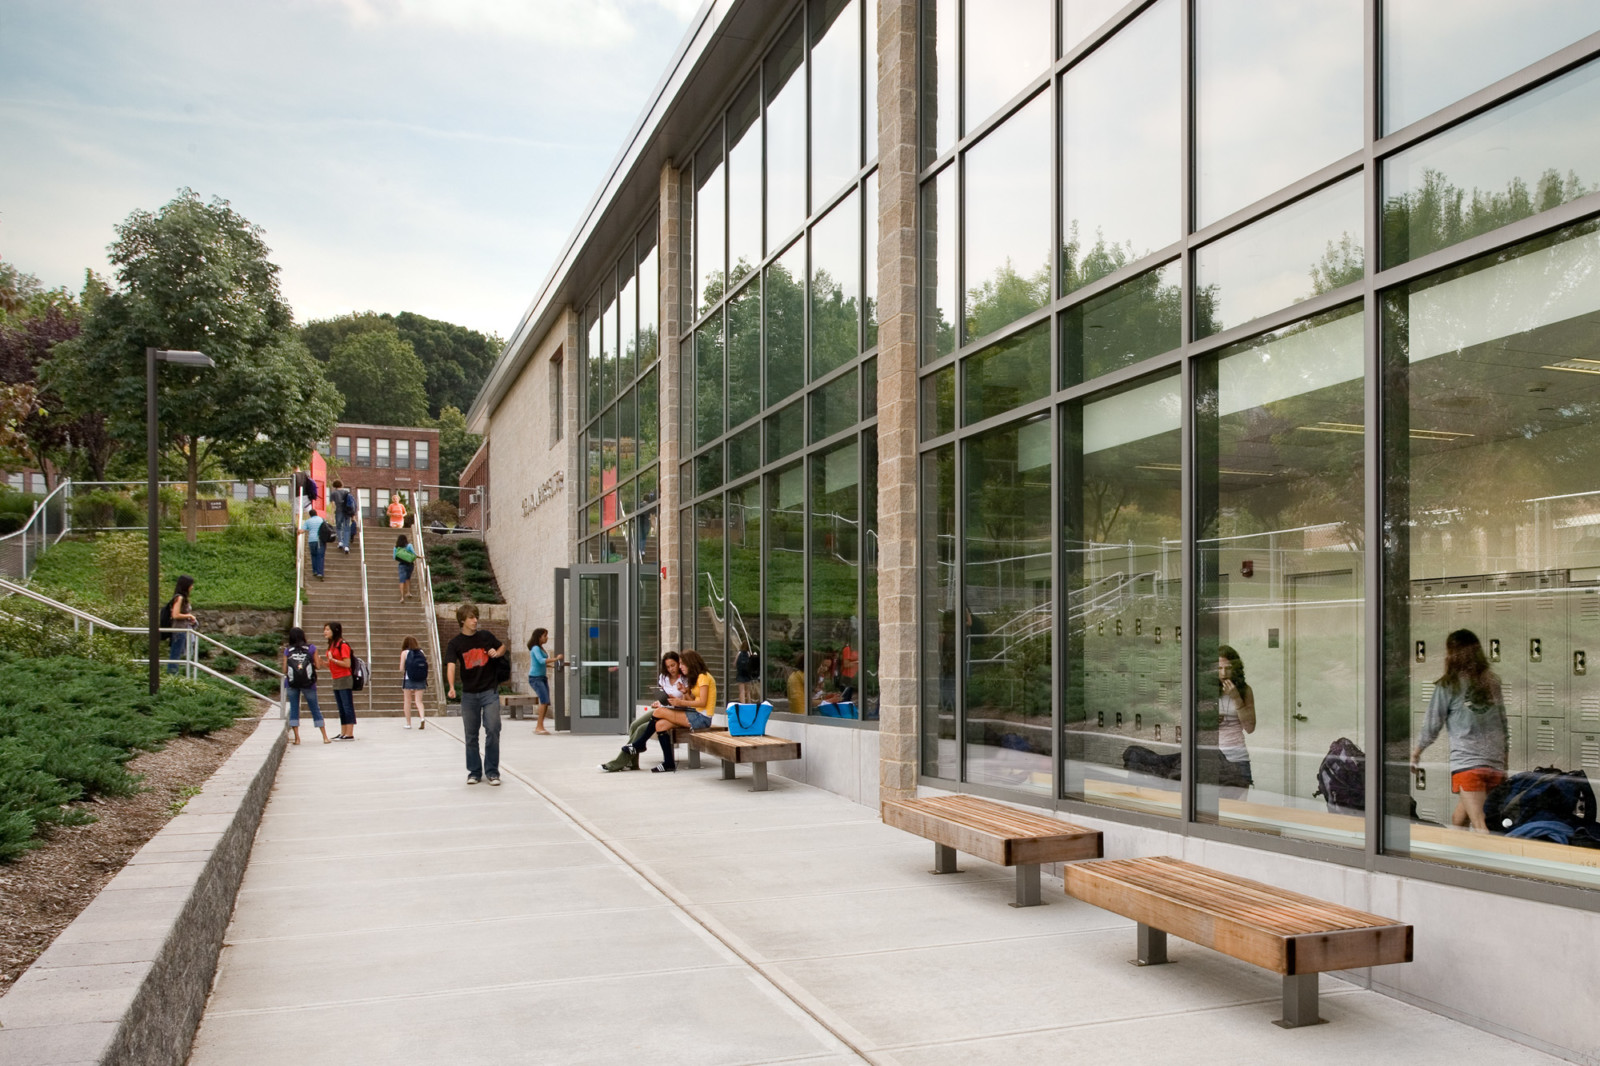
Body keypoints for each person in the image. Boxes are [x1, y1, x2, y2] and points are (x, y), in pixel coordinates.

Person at [1412, 628, 1508, 832]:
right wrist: (1504, 762)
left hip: (1468, 764)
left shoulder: (1449, 684)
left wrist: (1417, 752)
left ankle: (1489, 854)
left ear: (1451, 654)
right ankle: (1456, 849)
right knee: (1459, 819)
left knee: (1481, 824)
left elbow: (1432, 722)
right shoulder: (1492, 682)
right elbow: (1502, 723)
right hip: (1494, 763)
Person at [446, 603, 508, 785]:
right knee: (471, 735)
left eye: (476, 617)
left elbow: (502, 647)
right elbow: (451, 665)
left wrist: (497, 652)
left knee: (493, 729)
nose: (475, 620)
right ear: (462, 621)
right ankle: (474, 772)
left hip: (489, 691)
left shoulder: (485, 636)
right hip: (469, 695)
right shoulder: (455, 643)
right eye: (471, 617)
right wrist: (451, 686)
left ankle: (492, 772)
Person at [602, 652, 688, 772]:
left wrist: (677, 698)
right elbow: (663, 696)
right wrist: (658, 702)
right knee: (634, 725)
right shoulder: (664, 677)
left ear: (678, 663)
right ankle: (632, 763)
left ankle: (618, 763)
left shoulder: (685, 679)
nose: (671, 669)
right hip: (662, 708)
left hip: (675, 712)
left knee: (641, 729)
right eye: (668, 666)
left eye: (673, 665)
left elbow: (686, 700)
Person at [645, 649, 716, 773]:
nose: (680, 666)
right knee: (660, 725)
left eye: (682, 663)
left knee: (659, 712)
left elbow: (702, 703)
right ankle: (668, 763)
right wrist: (684, 692)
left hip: (702, 718)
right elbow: (693, 701)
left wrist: (681, 702)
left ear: (691, 663)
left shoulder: (703, 677)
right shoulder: (697, 678)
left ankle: (640, 744)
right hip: (695, 714)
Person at [1215, 645, 1256, 799]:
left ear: (1236, 669)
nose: (1223, 673)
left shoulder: (1245, 690)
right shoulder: (1204, 690)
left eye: (1228, 668)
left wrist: (1236, 697)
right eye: (1219, 668)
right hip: (1211, 757)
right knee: (1210, 808)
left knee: (1238, 808)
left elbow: (1250, 727)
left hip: (1237, 757)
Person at [283, 626, 330, 745]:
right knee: (315, 708)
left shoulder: (288, 650)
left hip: (292, 683)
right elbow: (318, 666)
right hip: (308, 683)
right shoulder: (311, 648)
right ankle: (325, 737)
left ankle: (297, 738)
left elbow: (284, 670)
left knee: (294, 709)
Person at [526, 627, 564, 735]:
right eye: (545, 636)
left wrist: (550, 666)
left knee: (546, 701)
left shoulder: (540, 648)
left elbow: (539, 663)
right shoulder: (535, 648)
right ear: (539, 637)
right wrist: (556, 658)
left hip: (542, 677)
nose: (547, 638)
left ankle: (540, 725)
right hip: (535, 678)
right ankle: (539, 727)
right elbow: (541, 660)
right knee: (544, 700)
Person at [324, 621, 357, 740]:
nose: (325, 632)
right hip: (336, 678)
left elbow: (347, 663)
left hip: (344, 678)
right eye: (325, 629)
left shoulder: (342, 645)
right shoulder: (332, 645)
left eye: (327, 629)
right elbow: (331, 664)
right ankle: (343, 732)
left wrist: (333, 660)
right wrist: (322, 662)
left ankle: (349, 732)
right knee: (341, 707)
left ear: (335, 631)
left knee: (347, 706)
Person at [163, 575, 197, 675]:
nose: (192, 587)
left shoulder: (181, 598)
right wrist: (189, 615)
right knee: (175, 654)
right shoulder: (179, 598)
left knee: (177, 654)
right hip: (179, 630)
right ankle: (172, 674)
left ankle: (173, 674)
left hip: (182, 629)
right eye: (191, 585)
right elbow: (175, 614)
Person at [399, 635, 428, 730]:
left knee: (407, 701)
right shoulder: (421, 652)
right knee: (419, 701)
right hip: (421, 679)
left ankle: (408, 723)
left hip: (409, 679)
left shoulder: (404, 653)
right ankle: (422, 718)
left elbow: (401, 668)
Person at [300, 509, 328, 580]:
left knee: (313, 555)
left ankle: (315, 571)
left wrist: (298, 532)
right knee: (320, 556)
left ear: (310, 515)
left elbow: (302, 530)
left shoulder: (308, 521)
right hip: (320, 540)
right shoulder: (322, 520)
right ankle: (320, 572)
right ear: (316, 513)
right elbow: (326, 528)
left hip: (311, 540)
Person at [331, 478, 354, 553]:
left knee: (338, 527)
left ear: (334, 486)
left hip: (338, 511)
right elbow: (352, 504)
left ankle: (340, 541)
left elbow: (333, 504)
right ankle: (346, 546)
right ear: (341, 485)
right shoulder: (347, 492)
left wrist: (332, 515)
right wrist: (353, 515)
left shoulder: (334, 493)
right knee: (346, 528)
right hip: (347, 512)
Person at [734, 639, 759, 704]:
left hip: (740, 674)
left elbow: (734, 663)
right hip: (747, 674)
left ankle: (743, 704)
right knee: (748, 691)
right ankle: (749, 703)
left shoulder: (739, 653)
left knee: (741, 691)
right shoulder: (748, 654)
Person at [395, 534, 416, 603]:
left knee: (402, 580)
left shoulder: (396, 548)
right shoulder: (409, 546)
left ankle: (402, 597)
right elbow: (414, 554)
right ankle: (408, 592)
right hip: (410, 564)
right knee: (408, 578)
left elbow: (394, 557)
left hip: (402, 565)